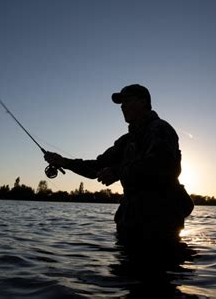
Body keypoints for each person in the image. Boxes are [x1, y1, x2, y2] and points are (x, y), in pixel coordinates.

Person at [44, 84, 193, 249]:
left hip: (160, 223)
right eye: (121, 103)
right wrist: (64, 162)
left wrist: (117, 172)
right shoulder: (125, 141)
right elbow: (98, 167)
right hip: (131, 222)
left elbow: (160, 165)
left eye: (127, 100)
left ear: (143, 102)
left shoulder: (161, 129)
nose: (122, 106)